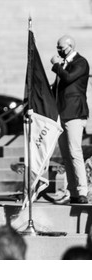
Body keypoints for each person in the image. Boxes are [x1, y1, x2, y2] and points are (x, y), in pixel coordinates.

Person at [50, 35, 90, 205]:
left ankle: (82, 191)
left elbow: (68, 77)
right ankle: (72, 192)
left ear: (71, 46)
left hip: (75, 113)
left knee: (75, 152)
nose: (59, 51)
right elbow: (57, 87)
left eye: (61, 48)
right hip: (61, 114)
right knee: (66, 155)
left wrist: (56, 64)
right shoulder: (64, 65)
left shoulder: (81, 62)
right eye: (57, 48)